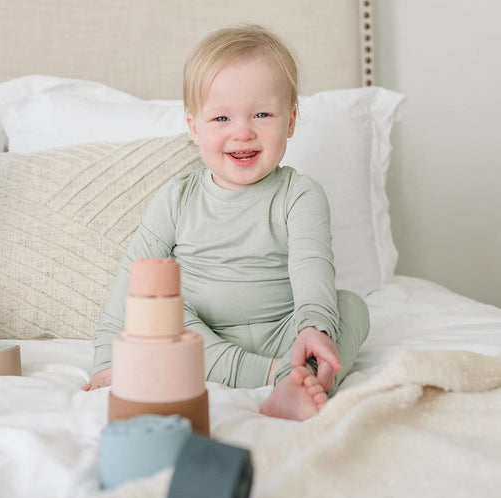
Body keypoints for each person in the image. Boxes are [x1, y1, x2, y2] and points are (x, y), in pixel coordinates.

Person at [83, 25, 370, 420]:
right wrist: (106, 361)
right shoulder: (176, 198)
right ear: (194, 129)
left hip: (283, 333)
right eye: (221, 117)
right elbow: (133, 278)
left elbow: (312, 269)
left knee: (349, 308)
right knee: (159, 312)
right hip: (200, 338)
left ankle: (297, 377)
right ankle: (280, 376)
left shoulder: (300, 194)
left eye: (262, 114)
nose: (243, 132)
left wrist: (312, 328)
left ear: (290, 121)